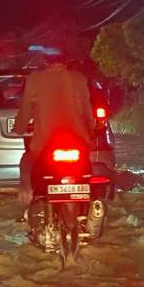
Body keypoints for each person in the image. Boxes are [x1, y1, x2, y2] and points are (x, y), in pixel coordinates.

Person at [11, 55, 94, 207]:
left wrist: (19, 128)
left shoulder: (35, 80)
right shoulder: (79, 79)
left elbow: (25, 111)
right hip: (78, 140)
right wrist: (90, 133)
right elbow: (88, 113)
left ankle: (29, 202)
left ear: (45, 62)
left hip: (45, 143)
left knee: (26, 164)